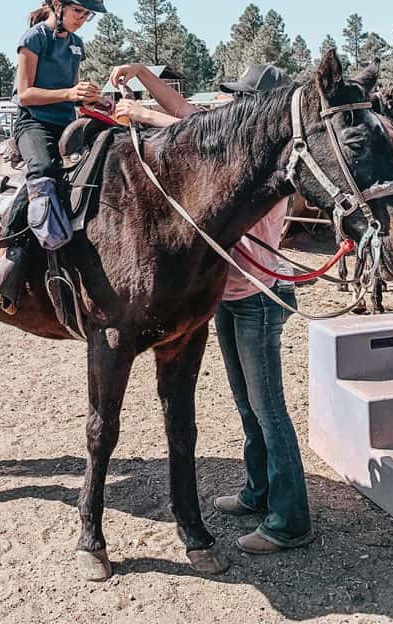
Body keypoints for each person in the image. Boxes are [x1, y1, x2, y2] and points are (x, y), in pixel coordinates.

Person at [108, 62, 314, 554]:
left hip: (258, 299)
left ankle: (290, 520)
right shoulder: (240, 154)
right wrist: (140, 72)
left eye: (240, 97)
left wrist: (139, 109)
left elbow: (184, 126)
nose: (229, 104)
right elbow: (185, 113)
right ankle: (257, 491)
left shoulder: (253, 168)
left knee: (270, 412)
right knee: (247, 406)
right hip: (230, 297)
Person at [0, 0, 106, 311]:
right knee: (44, 170)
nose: (83, 18)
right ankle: (10, 253)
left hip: (66, 120)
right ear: (55, 5)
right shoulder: (33, 39)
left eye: (88, 13)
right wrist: (70, 93)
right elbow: (26, 94)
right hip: (33, 121)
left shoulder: (77, 45)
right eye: (79, 10)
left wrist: (93, 99)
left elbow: (72, 90)